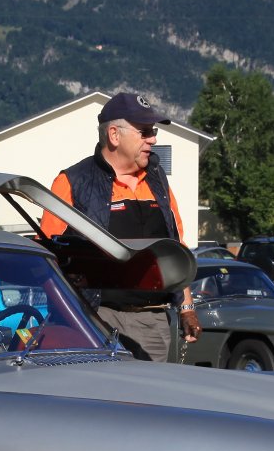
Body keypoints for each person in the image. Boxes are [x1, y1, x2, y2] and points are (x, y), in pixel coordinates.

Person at [38, 91, 199, 362]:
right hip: (95, 319)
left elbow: (176, 249)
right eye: (144, 132)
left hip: (153, 322)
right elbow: (47, 258)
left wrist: (187, 308)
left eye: (153, 131)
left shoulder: (158, 180)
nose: (153, 139)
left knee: (152, 390)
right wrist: (72, 316)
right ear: (114, 135)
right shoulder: (72, 182)